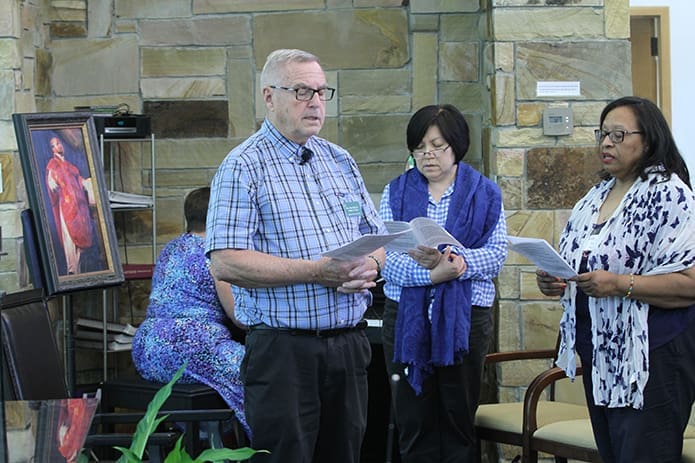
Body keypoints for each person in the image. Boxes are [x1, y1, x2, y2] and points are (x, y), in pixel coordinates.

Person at [204, 49, 386, 463]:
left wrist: (371, 264)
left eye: (322, 91)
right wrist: (316, 272)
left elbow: (376, 239)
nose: (316, 101)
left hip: (349, 346)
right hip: (284, 355)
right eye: (303, 91)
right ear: (270, 97)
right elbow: (226, 262)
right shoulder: (243, 166)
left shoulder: (340, 161)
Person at [535, 96, 695, 462]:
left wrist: (620, 285)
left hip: (654, 355)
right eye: (603, 134)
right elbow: (580, 263)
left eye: (619, 135)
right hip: (603, 352)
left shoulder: (670, 196)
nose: (606, 143)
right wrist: (557, 280)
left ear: (649, 141)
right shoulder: (596, 196)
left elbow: (690, 281)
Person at [378, 104, 508, 462]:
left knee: (457, 420)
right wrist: (433, 274)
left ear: (457, 145)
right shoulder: (396, 193)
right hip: (405, 318)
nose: (427, 154)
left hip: (466, 319)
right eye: (419, 147)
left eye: (437, 145)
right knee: (413, 420)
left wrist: (458, 263)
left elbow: (497, 254)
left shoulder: (486, 193)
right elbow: (386, 259)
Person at [131, 186, 249, 438]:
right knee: (261, 373)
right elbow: (239, 316)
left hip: (146, 349)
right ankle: (259, 450)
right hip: (190, 345)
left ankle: (203, 438)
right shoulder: (217, 253)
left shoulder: (171, 248)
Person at [45, 135, 98, 275]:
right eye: (54, 144)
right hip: (67, 207)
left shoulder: (71, 167)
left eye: (59, 143)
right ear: (52, 149)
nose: (58, 146)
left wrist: (87, 183)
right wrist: (54, 184)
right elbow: (51, 184)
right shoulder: (53, 165)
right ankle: (72, 270)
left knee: (81, 242)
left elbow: (79, 181)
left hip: (80, 208)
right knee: (70, 240)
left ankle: (79, 272)